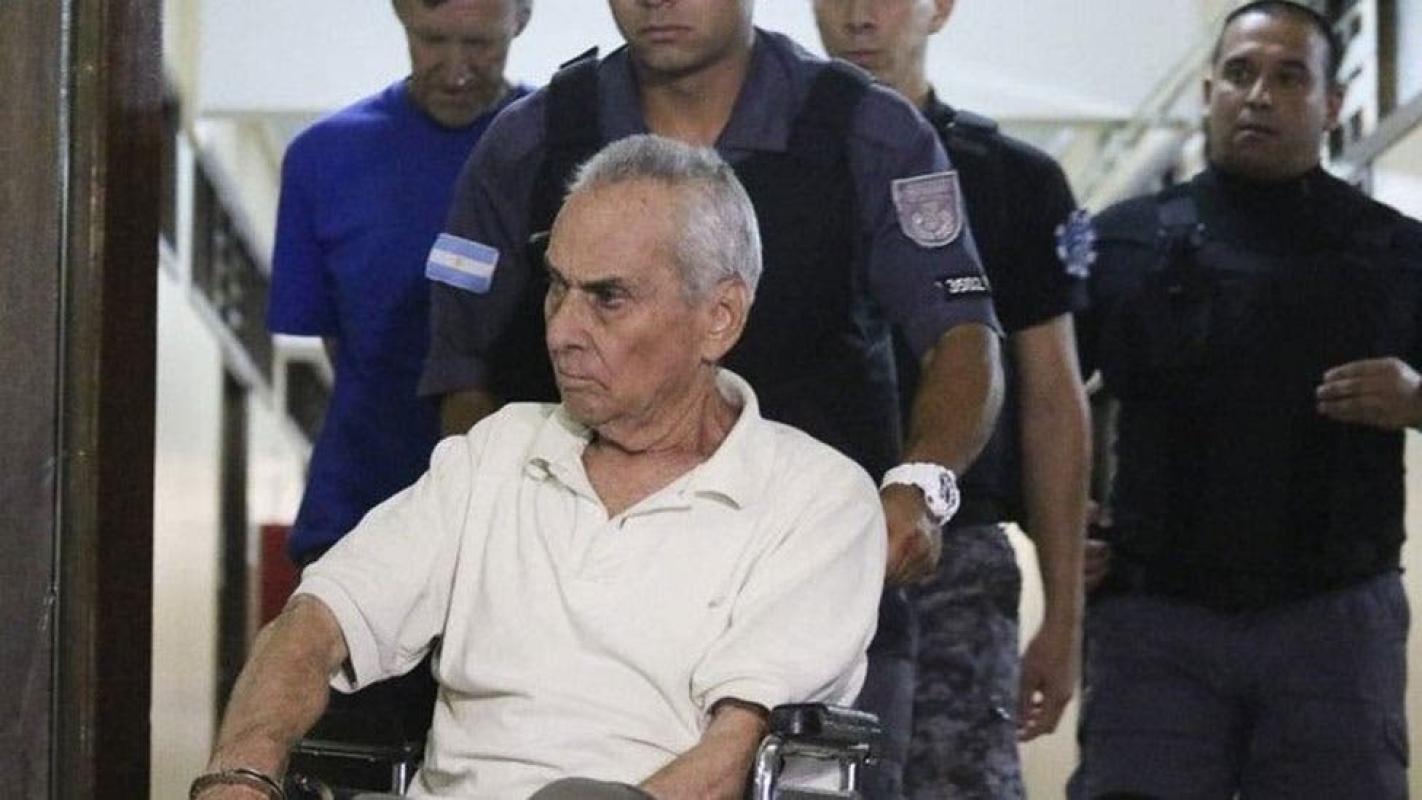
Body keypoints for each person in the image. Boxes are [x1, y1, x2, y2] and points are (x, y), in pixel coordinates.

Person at [193, 136, 887, 800]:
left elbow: (729, 764)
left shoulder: (818, 501)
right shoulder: (496, 454)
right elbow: (313, 625)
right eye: (557, 287)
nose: (560, 331)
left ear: (720, 317)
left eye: (607, 298)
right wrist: (240, 774)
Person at [420, 3, 1003, 794]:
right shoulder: (531, 139)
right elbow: (460, 371)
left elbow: (963, 337)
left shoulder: (868, 130)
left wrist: (922, 485)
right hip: (576, 613)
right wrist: (489, 531)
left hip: (813, 590)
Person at [1076, 3, 1422, 797]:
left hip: (1332, 622)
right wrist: (1056, 520)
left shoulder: (1396, 251)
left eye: (1289, 77)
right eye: (1240, 73)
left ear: (1332, 104)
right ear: (1209, 92)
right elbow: (1039, 396)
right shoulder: (1123, 241)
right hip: (1157, 624)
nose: (1259, 95)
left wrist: (1417, 399)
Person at [811, 1, 1089, 797]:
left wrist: (1065, 617)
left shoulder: (1010, 179)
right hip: (795, 543)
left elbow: (1052, 401)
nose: (859, 16)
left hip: (951, 553)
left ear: (939, 9)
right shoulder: (761, 160)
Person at [267, 0, 531, 567]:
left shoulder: (555, 145)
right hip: (361, 510)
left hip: (518, 518)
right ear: (401, 15)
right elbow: (338, 345)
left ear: (521, 20)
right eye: (432, 40)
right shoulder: (323, 158)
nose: (456, 70)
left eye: (480, 44)